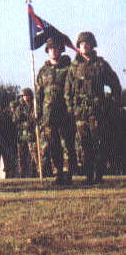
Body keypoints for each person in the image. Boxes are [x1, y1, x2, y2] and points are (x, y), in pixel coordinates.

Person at [64, 31, 121, 185]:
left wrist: (112, 105)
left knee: (99, 144)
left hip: (97, 113)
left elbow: (115, 85)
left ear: (92, 45)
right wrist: (71, 109)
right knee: (84, 145)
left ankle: (99, 175)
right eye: (82, 44)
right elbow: (67, 92)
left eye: (87, 43)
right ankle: (88, 176)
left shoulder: (101, 65)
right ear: (78, 46)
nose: (84, 46)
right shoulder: (74, 67)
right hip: (80, 114)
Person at [36, 37, 76, 185]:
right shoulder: (43, 71)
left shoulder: (68, 68)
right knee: (53, 146)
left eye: (56, 48)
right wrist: (38, 112)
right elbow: (39, 93)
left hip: (65, 113)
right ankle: (58, 173)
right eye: (51, 48)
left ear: (61, 49)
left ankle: (67, 173)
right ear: (47, 51)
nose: (53, 50)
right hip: (48, 115)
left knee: (67, 144)